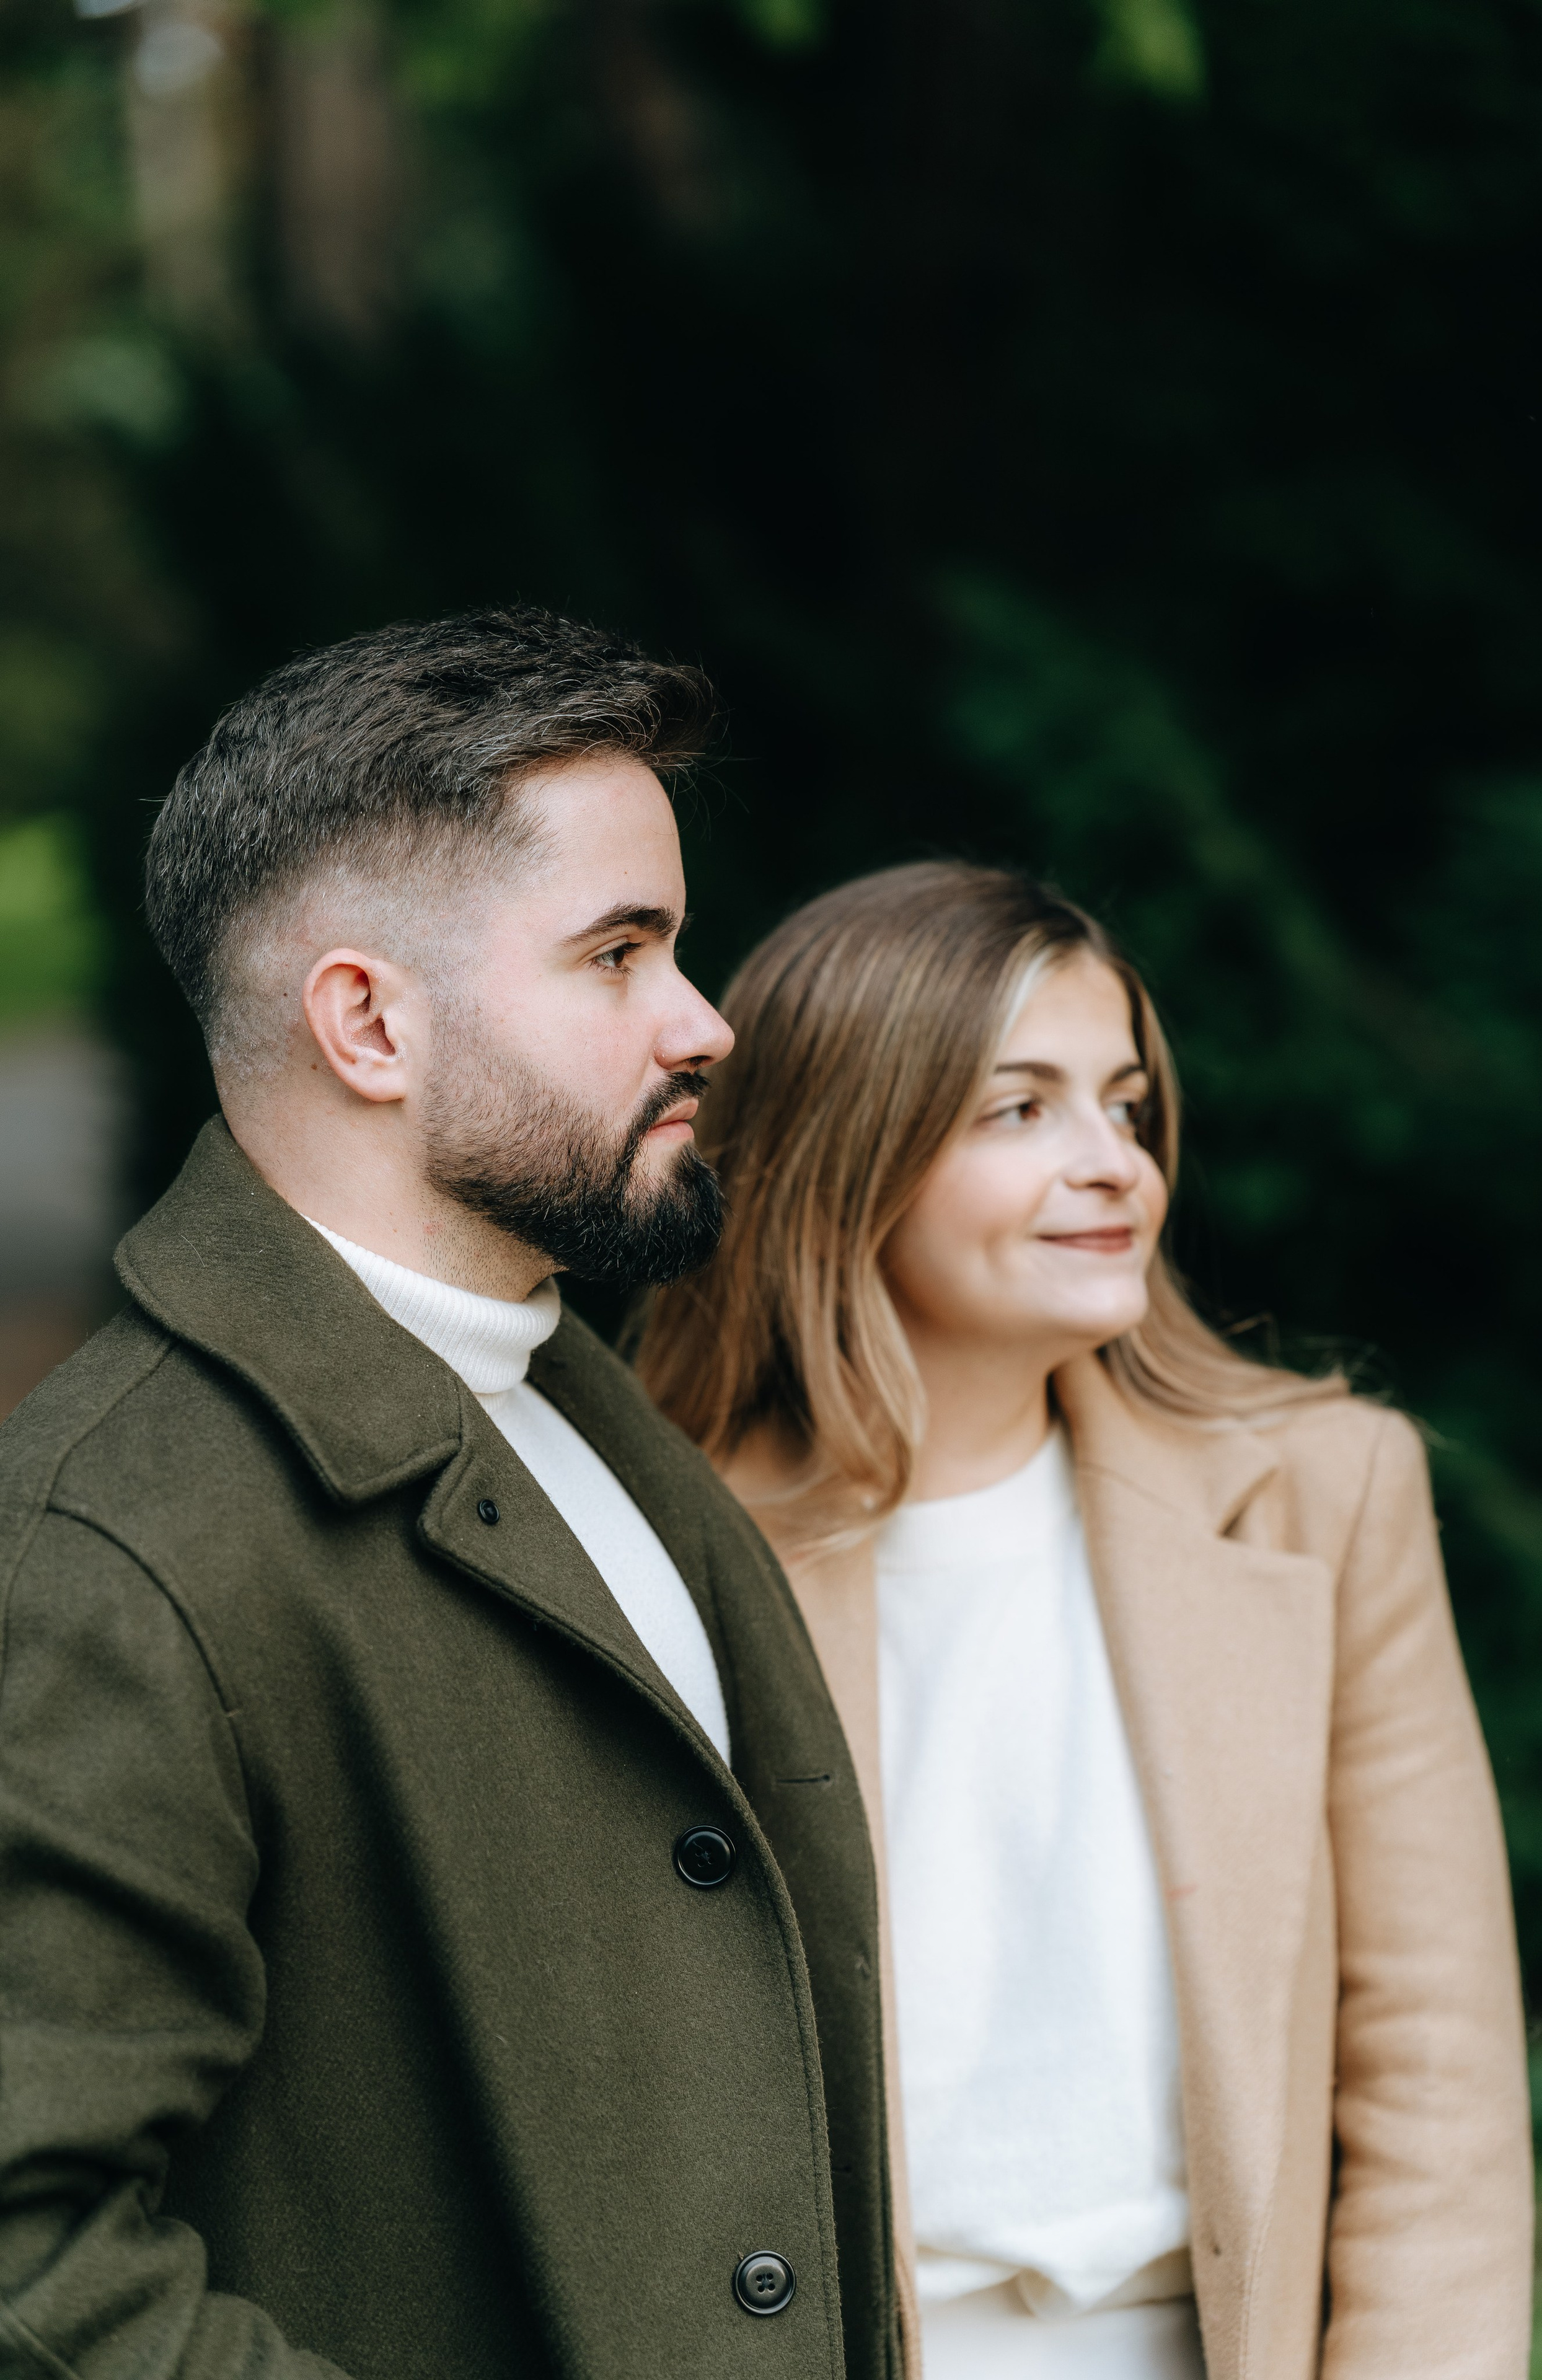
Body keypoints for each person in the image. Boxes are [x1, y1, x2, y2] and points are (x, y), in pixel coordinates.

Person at [0, 610, 899, 2380]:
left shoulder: (572, 1398)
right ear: (367, 1024)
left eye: (679, 950)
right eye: (619, 954)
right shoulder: (103, 1551)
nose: (707, 1024)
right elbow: (33, 2264)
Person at [638, 861, 1533, 2380]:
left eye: (1122, 1106)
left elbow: (1431, 2080)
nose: (1112, 1162)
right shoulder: (656, 1550)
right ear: (843, 1156)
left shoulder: (1323, 1493)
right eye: (1017, 1109)